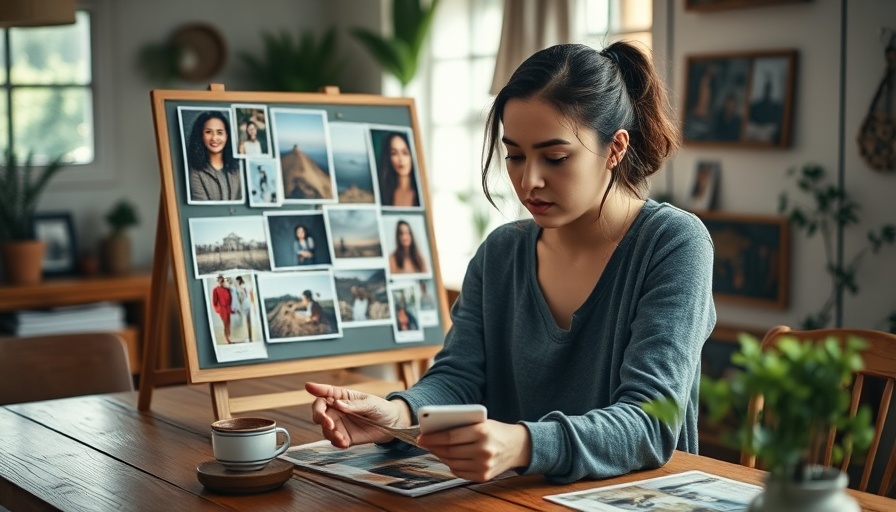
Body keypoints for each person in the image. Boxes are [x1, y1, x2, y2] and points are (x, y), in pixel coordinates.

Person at [306, 42, 715, 485]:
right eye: (515, 155)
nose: (528, 180)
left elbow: (650, 422)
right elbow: (460, 377)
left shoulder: (673, 244)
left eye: (555, 158)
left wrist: (522, 444)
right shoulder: (501, 252)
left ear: (615, 149)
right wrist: (396, 414)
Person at [186, 111, 242, 202]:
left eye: (220, 132)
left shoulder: (238, 168)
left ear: (227, 136)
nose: (214, 138)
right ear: (201, 135)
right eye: (208, 132)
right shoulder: (195, 171)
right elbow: (200, 208)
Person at [378, 131, 419, 207]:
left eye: (405, 153)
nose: (400, 159)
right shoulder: (383, 192)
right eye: (394, 153)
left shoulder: (422, 193)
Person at [211, 275, 233, 344]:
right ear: (218, 281)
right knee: (225, 323)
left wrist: (231, 307)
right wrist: (218, 309)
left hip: (227, 308)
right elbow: (214, 302)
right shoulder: (215, 290)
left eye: (222, 280)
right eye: (220, 280)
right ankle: (227, 339)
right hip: (222, 309)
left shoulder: (227, 289)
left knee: (228, 323)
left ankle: (229, 337)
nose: (221, 282)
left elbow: (231, 298)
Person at [234, 276, 254, 342]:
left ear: (239, 281)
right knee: (247, 322)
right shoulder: (239, 288)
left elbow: (244, 296)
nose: (236, 282)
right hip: (245, 304)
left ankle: (250, 338)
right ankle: (249, 337)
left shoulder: (241, 287)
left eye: (236, 281)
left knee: (248, 321)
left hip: (246, 304)